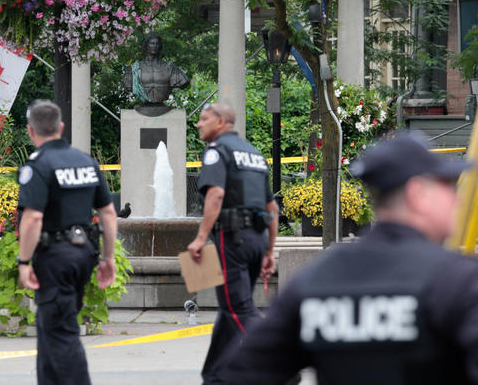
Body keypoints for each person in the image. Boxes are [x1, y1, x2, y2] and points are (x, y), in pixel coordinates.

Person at [218, 131, 478, 385]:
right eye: (447, 185)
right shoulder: (458, 280)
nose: (456, 199)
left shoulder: (317, 279)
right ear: (417, 193)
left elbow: (242, 372)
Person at [17, 100, 118, 385]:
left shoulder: (39, 165)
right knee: (50, 326)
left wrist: (24, 262)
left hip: (54, 257)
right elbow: (108, 213)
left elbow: (33, 219)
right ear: (61, 128)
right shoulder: (86, 162)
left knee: (61, 332)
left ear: (31, 131)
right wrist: (107, 258)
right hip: (83, 252)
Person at [187, 102, 279, 385]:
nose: (199, 124)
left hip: (232, 238)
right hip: (255, 238)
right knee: (231, 311)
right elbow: (271, 206)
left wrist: (201, 238)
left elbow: (215, 194)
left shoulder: (218, 151)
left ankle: (280, 363)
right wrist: (268, 250)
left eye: (204, 119)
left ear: (222, 121)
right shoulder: (254, 154)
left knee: (238, 309)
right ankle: (214, 376)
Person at [124, 32, 189, 108]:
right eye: (152, 43)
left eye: (157, 44)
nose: (154, 46)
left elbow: (184, 82)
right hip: (142, 110)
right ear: (146, 46)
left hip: (163, 109)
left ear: (160, 46)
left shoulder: (170, 67)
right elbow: (128, 86)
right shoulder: (134, 69)